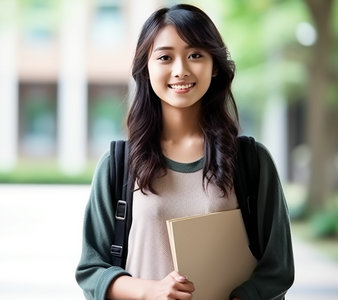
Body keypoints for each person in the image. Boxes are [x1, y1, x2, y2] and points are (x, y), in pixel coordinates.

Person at [76, 4, 294, 300]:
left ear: (214, 65)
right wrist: (151, 291)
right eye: (165, 57)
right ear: (146, 67)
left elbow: (278, 268)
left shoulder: (251, 162)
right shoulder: (119, 164)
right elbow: (91, 270)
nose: (181, 70)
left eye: (195, 55)